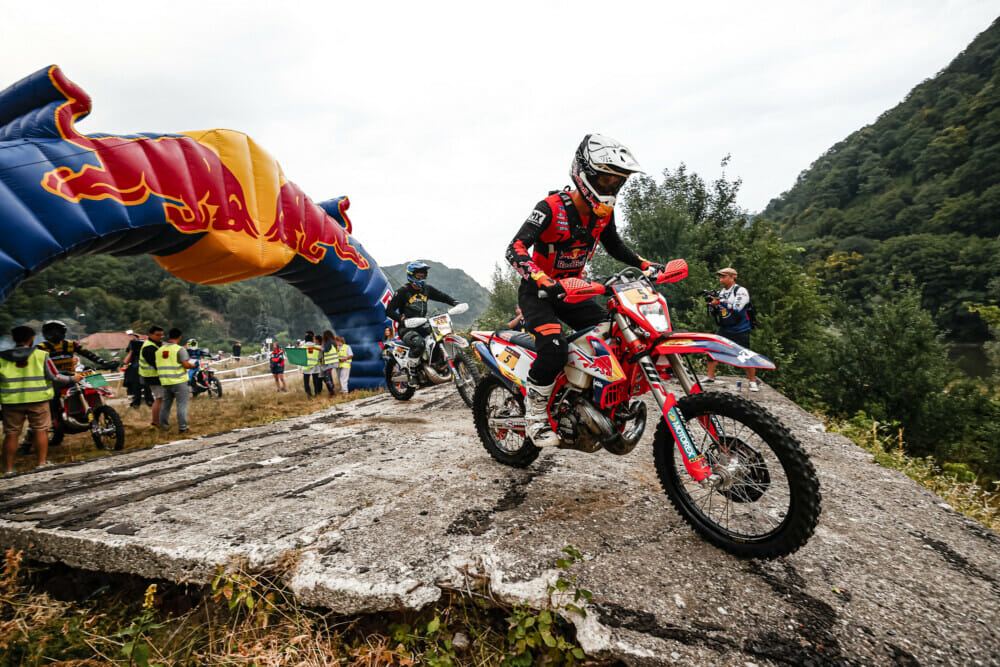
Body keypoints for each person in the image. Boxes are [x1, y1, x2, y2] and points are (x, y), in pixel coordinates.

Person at [506, 134, 662, 447]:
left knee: (613, 330)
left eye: (617, 183)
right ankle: (535, 416)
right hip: (539, 293)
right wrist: (541, 277)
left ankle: (587, 397)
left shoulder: (602, 214)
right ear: (584, 174)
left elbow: (615, 245)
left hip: (575, 292)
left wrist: (646, 266)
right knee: (553, 346)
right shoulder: (550, 208)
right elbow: (515, 248)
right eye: (605, 180)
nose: (611, 189)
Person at [1, 325, 81, 473]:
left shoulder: (2, 358)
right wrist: (72, 378)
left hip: (11, 402)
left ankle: (8, 469)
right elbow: (55, 376)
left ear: (13, 339)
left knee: (11, 433)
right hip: (38, 400)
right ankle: (42, 464)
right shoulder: (41, 355)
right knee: (40, 430)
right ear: (31, 339)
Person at [385, 261, 458, 375]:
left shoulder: (426, 289)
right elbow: (389, 311)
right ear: (411, 275)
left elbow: (441, 296)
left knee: (439, 338)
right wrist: (401, 319)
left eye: (423, 276)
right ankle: (412, 371)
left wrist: (454, 302)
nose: (421, 278)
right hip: (407, 328)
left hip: (423, 325)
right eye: (419, 276)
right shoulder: (403, 291)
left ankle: (437, 365)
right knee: (419, 344)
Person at [705, 267, 758, 391]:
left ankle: (752, 381)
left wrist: (719, 302)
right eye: (720, 277)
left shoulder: (741, 291)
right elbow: (722, 310)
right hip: (725, 328)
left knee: (745, 354)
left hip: (740, 329)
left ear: (732, 277)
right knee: (712, 348)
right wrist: (713, 307)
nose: (721, 280)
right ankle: (710, 376)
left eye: (724, 277)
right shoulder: (722, 292)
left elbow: (737, 308)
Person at [157, 328, 196, 433]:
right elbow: (186, 364)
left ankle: (163, 425)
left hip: (165, 381)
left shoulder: (160, 350)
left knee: (165, 405)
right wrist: (193, 366)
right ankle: (183, 428)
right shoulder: (180, 349)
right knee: (181, 405)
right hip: (179, 381)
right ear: (179, 337)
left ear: (169, 336)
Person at [138, 326, 165, 429]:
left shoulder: (154, 345)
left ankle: (158, 421)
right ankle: (155, 423)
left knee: (160, 399)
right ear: (150, 335)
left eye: (162, 335)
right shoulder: (149, 347)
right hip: (153, 377)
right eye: (157, 335)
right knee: (159, 399)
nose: (160, 337)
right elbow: (156, 364)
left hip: (153, 376)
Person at [120, 330, 151, 408]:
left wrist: (131, 351)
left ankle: (136, 402)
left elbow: (126, 361)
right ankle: (149, 401)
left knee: (135, 387)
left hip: (135, 370)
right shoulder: (147, 351)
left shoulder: (132, 350)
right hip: (146, 370)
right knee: (146, 387)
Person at [301, 331, 324, 397]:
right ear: (312, 339)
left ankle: (309, 394)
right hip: (315, 366)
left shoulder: (302, 347)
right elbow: (320, 356)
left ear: (305, 340)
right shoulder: (317, 347)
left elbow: (300, 357)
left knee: (306, 381)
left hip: (306, 366)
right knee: (316, 380)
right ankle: (317, 393)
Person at [320, 330, 338, 396]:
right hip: (330, 363)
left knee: (327, 378)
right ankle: (332, 391)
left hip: (330, 363)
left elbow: (325, 350)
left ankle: (332, 392)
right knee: (328, 378)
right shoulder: (333, 342)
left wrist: (317, 348)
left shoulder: (329, 342)